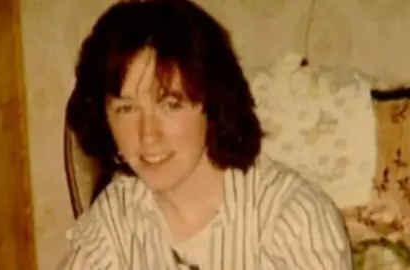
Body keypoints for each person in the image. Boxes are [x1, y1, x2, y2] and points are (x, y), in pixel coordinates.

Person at [59, 0, 353, 269]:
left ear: (212, 105)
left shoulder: (295, 221)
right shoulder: (113, 219)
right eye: (126, 109)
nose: (148, 134)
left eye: (170, 104)